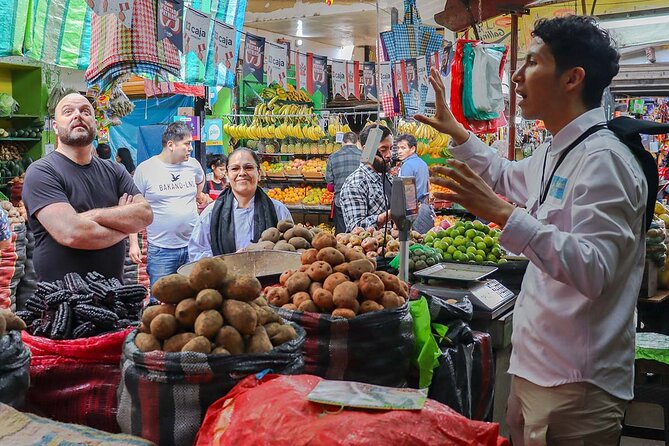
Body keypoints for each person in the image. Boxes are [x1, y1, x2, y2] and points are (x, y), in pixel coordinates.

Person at [416, 16, 646, 444]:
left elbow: (594, 270)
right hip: (535, 368)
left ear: (572, 79)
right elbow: (505, 175)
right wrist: (459, 134)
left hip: (575, 383)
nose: (517, 77)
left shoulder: (604, 161)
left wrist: (503, 215)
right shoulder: (557, 149)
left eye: (532, 62)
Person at [22, 93, 153, 282]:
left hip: (112, 297)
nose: (78, 115)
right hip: (62, 300)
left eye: (85, 111)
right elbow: (73, 233)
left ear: (95, 124)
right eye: (68, 112)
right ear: (56, 128)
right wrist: (124, 224)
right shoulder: (42, 172)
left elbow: (145, 214)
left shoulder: (115, 170)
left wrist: (90, 217)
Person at [129, 122, 205, 289]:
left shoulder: (193, 165)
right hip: (161, 251)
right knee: (160, 301)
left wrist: (198, 194)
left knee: (194, 297)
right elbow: (133, 210)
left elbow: (201, 179)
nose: (190, 148)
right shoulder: (146, 170)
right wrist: (134, 243)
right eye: (187, 143)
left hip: (193, 246)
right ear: (171, 145)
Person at [188, 148, 292, 260]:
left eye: (248, 167)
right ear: (227, 175)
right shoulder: (211, 214)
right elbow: (196, 253)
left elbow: (291, 249)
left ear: (259, 173)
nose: (242, 173)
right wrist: (228, 261)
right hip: (225, 277)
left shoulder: (278, 210)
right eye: (235, 168)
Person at [339, 125, 393, 232]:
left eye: (390, 148)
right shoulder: (355, 184)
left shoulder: (388, 177)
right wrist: (386, 216)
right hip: (371, 247)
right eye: (383, 150)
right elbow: (356, 227)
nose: (389, 155)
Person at [325, 131, 360, 233]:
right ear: (356, 142)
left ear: (343, 142)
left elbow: (330, 184)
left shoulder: (333, 157)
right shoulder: (364, 156)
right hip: (359, 202)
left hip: (340, 201)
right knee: (358, 233)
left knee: (341, 235)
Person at [396, 134, 430, 203]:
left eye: (403, 148)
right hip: (423, 205)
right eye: (398, 148)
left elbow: (406, 193)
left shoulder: (407, 165)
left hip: (412, 208)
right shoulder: (423, 163)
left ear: (412, 149)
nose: (399, 151)